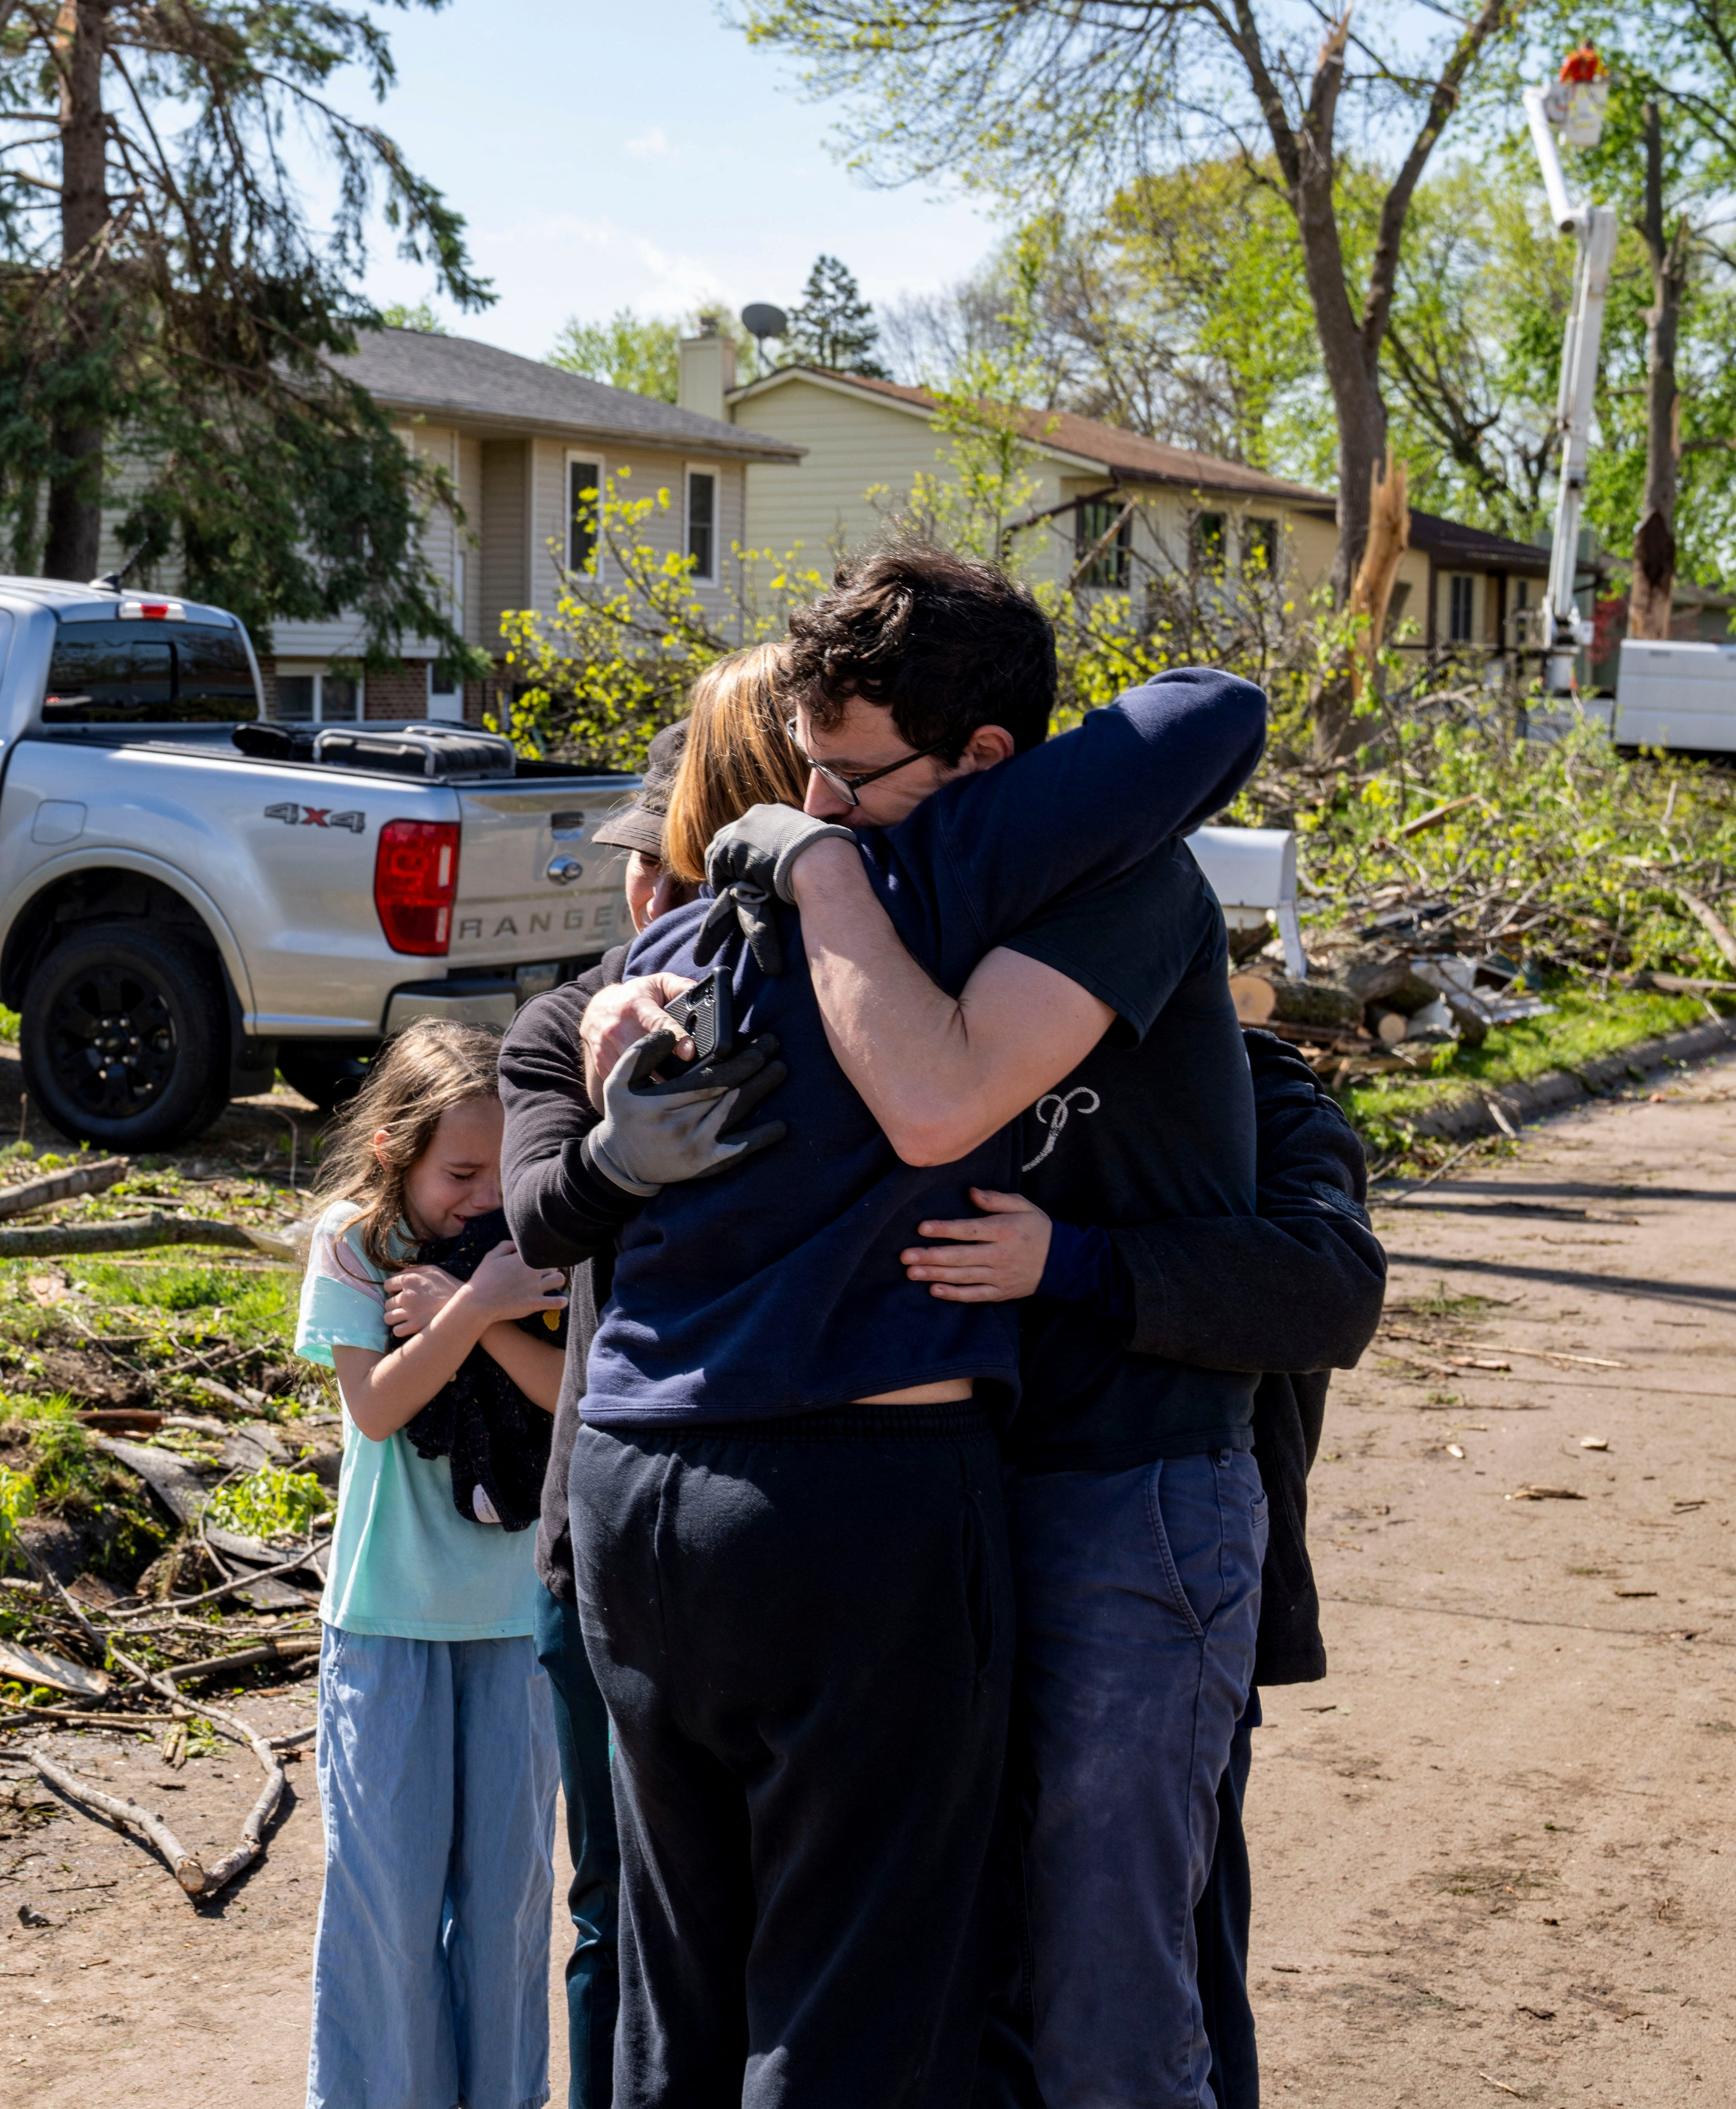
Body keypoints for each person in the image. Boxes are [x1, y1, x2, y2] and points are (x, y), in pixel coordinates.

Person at [551, 546, 1269, 2107]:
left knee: (1082, 2001)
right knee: (859, 2003)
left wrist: (808, 878)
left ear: (989, 767)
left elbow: (1217, 709)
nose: (815, 804)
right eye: (795, 774)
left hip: (1096, 1486)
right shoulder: (851, 894)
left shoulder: (1005, 880)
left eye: (851, 775)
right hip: (885, 1495)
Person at [894, 1034, 1381, 2109]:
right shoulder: (959, 1060)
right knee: (987, 1983)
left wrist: (1076, 1261)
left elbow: (1331, 1287)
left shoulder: (1254, 1085)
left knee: (1156, 1975)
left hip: (1162, 1583)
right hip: (959, 1570)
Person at [498, 661, 800, 2109]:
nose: (638, 892)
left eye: (660, 859)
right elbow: (543, 1215)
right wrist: (625, 1149)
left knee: (762, 1928)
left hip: (774, 1512)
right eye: (638, 864)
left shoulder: (813, 989)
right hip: (596, 1530)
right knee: (621, 1910)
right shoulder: (562, 1029)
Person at [295, 1018, 569, 2109]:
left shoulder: (533, 1248)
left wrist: (484, 1311)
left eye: (501, 1171)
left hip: (515, 1621)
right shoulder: (351, 1244)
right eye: (459, 1173)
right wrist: (477, 1309)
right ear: (393, 1156)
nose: (482, 1197)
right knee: (387, 1907)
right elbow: (375, 1407)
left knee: (507, 1908)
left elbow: (568, 1396)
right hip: (388, 1620)